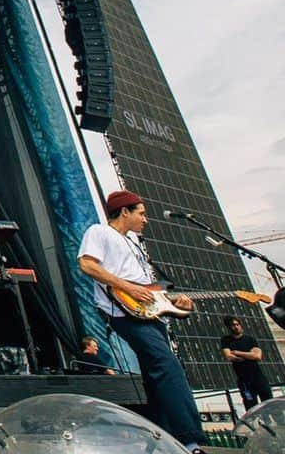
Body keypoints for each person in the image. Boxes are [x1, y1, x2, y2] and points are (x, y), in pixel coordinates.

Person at [77, 189, 207, 453]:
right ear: (124, 211)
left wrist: (176, 303)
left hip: (148, 312)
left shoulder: (134, 241)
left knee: (155, 374)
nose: (145, 219)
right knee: (167, 365)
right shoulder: (99, 232)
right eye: (141, 213)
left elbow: (150, 288)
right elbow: (87, 265)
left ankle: (161, 438)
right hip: (123, 311)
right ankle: (190, 439)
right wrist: (128, 287)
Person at [220, 315, 274, 409]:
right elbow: (229, 356)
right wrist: (249, 355)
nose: (236, 327)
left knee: (269, 404)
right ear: (229, 327)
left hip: (259, 378)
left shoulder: (250, 339)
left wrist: (237, 352)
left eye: (237, 324)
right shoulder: (226, 340)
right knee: (251, 406)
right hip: (244, 381)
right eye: (233, 325)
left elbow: (257, 356)